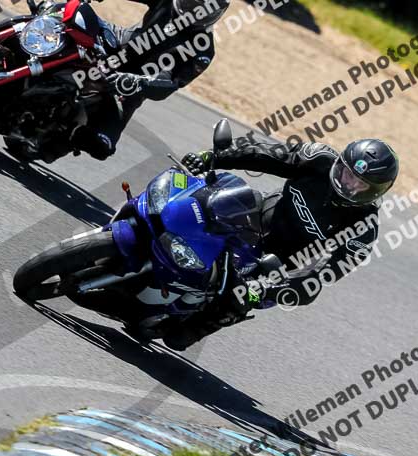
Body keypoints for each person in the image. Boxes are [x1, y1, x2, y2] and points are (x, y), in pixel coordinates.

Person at [163, 137, 400, 349]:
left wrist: (269, 287)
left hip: (277, 269)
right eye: (348, 174)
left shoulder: (363, 229)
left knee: (181, 336)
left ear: (376, 191)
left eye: (361, 184)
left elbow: (320, 277)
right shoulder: (318, 159)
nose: (349, 185)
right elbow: (266, 155)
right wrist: (213, 157)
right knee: (207, 202)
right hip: (255, 219)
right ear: (341, 163)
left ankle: (203, 322)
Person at [70, 0, 230, 160]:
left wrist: (138, 82)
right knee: (74, 14)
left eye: (208, 10)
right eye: (193, 4)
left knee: (101, 145)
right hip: (116, 46)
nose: (196, 12)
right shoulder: (166, 2)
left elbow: (170, 84)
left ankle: (70, 131)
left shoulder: (203, 50)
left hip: (131, 87)